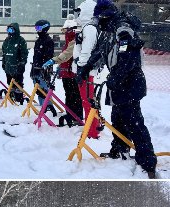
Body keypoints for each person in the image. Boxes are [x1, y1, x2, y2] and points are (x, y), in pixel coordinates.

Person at [79, 0, 157, 178]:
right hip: (118, 82)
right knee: (118, 118)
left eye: (100, 18)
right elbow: (100, 51)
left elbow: (129, 58)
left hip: (130, 82)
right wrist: (86, 67)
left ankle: (147, 161)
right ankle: (119, 150)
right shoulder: (108, 32)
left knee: (134, 122)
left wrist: (115, 78)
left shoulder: (122, 30)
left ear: (106, 16)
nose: (98, 22)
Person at [43, 14, 83, 127]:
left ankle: (77, 117)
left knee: (75, 97)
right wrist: (60, 68)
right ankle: (70, 115)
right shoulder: (68, 40)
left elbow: (67, 55)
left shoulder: (75, 41)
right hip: (66, 73)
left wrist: (55, 60)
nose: (64, 32)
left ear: (71, 29)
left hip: (73, 74)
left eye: (65, 29)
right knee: (69, 96)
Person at [72, 0, 101, 138]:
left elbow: (87, 51)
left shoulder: (89, 28)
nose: (76, 16)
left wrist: (81, 68)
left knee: (88, 102)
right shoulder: (87, 27)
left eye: (78, 13)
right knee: (87, 101)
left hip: (86, 71)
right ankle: (91, 127)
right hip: (85, 70)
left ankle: (92, 131)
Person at [30, 20, 57, 117]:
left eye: (39, 28)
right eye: (36, 28)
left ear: (45, 28)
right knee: (38, 89)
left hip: (44, 70)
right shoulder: (38, 41)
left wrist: (44, 68)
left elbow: (48, 56)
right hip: (36, 68)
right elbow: (35, 56)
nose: (37, 30)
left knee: (44, 89)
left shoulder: (48, 41)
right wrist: (33, 68)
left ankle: (48, 106)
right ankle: (43, 106)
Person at [2, 23, 29, 104]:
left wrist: (22, 63)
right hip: (8, 67)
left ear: (15, 30)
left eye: (11, 30)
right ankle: (11, 96)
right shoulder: (7, 41)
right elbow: (4, 53)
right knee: (10, 83)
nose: (9, 32)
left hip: (17, 67)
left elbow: (24, 54)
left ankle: (19, 98)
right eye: (8, 30)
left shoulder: (21, 40)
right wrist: (4, 63)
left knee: (18, 84)